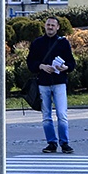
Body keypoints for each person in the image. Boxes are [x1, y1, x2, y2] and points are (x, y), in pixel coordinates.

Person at [27, 17, 76, 154]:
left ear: (58, 27)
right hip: (43, 83)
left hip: (59, 83)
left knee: (62, 114)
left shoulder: (63, 43)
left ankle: (65, 143)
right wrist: (41, 66)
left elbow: (72, 63)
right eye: (48, 25)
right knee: (46, 116)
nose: (50, 27)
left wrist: (65, 67)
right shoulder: (37, 43)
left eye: (53, 25)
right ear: (44, 26)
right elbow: (30, 63)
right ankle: (51, 143)